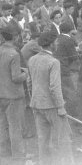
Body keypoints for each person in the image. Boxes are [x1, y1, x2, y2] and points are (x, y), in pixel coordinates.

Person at [28, 31, 74, 165]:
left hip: (36, 105)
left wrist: (34, 100)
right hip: (52, 107)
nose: (58, 43)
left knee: (43, 140)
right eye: (56, 41)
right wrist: (60, 107)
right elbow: (54, 87)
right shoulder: (53, 62)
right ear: (51, 44)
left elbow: (29, 83)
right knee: (63, 139)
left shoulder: (32, 59)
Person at [0, 27, 28, 160]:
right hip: (13, 95)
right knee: (15, 126)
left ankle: (4, 152)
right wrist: (26, 73)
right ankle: (19, 156)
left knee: (2, 124)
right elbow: (16, 78)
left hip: (1, 94)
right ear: (15, 36)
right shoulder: (14, 53)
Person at [54, 22, 79, 115]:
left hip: (56, 67)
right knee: (71, 92)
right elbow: (73, 57)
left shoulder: (57, 38)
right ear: (70, 30)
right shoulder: (68, 40)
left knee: (61, 91)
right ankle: (73, 114)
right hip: (64, 69)